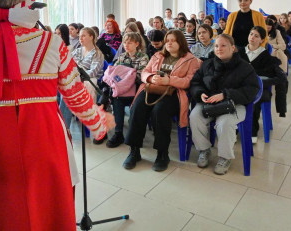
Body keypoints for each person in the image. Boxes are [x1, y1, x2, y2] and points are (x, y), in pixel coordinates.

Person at [0, 0, 114, 231]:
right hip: (46, 142)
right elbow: (76, 96)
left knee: (3, 215)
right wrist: (98, 123)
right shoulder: (52, 44)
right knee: (48, 211)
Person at [123, 30, 200, 172]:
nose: (169, 43)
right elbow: (145, 71)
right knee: (137, 107)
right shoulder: (158, 55)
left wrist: (169, 80)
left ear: (181, 42)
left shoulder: (191, 60)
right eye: (167, 40)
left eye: (173, 40)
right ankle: (134, 151)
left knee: (160, 111)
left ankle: (162, 154)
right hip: (152, 88)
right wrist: (151, 78)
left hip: (173, 93)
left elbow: (190, 81)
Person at [189, 34, 260, 175]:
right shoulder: (208, 64)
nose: (219, 49)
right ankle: (204, 150)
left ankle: (225, 157)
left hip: (234, 103)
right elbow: (196, 82)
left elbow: (252, 90)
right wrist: (200, 93)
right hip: (209, 102)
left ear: (232, 48)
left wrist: (226, 94)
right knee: (195, 116)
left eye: (223, 45)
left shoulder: (245, 67)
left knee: (225, 123)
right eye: (216, 46)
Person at [243, 27, 288, 143]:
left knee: (254, 100)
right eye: (251, 34)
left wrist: (260, 82)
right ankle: (235, 128)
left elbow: (280, 78)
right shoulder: (239, 53)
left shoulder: (267, 57)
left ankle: (252, 131)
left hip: (259, 90)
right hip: (241, 89)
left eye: (256, 36)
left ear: (262, 39)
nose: (252, 37)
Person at [105, 32, 149, 148]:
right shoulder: (122, 57)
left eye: (129, 42)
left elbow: (140, 76)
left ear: (137, 44)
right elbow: (114, 74)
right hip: (121, 90)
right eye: (125, 42)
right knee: (116, 100)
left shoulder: (143, 57)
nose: (126, 45)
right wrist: (128, 73)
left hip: (136, 89)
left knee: (136, 104)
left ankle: (134, 133)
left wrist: (125, 74)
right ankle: (118, 133)